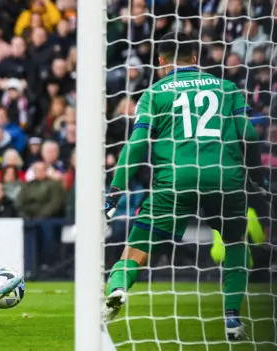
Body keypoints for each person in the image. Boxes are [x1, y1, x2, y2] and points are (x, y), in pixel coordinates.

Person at [103, 32, 267, 341]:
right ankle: (232, 318)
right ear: (195, 58)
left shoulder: (154, 93)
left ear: (161, 62)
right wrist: (258, 176)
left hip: (175, 180)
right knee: (235, 245)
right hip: (225, 176)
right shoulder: (227, 87)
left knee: (135, 250)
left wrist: (116, 190)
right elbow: (249, 135)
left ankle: (119, 288)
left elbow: (137, 145)